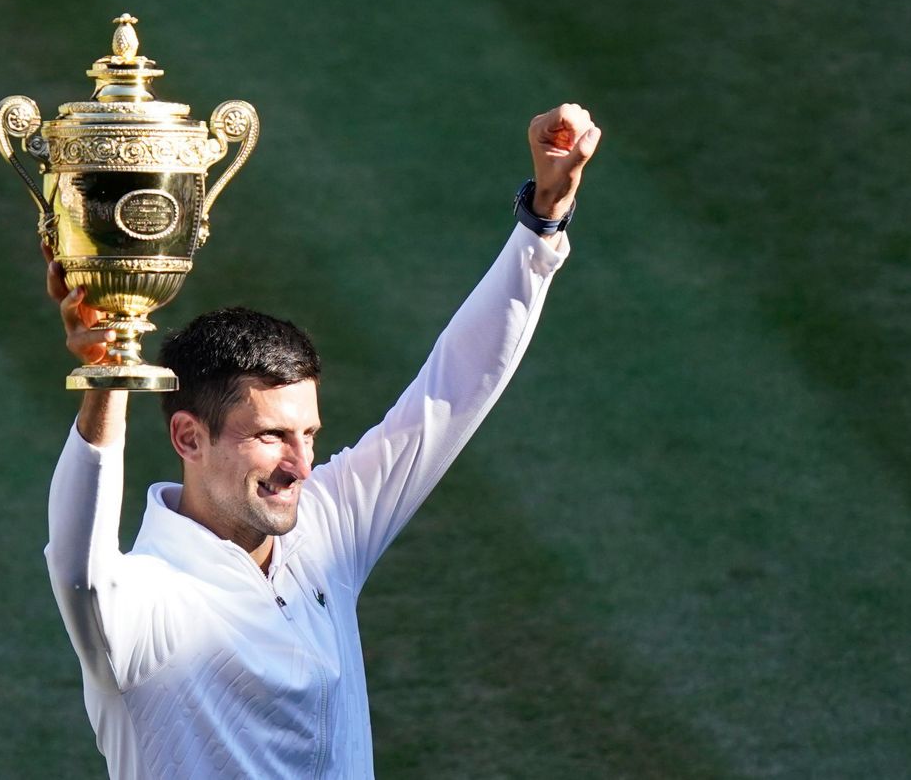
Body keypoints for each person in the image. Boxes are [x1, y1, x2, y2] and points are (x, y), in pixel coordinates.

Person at [44, 104, 601, 779]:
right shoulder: (139, 606)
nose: (301, 465)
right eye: (272, 436)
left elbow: (448, 393)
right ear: (189, 436)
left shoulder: (325, 529)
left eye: (309, 433)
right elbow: (78, 559)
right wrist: (108, 373)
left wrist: (541, 224)